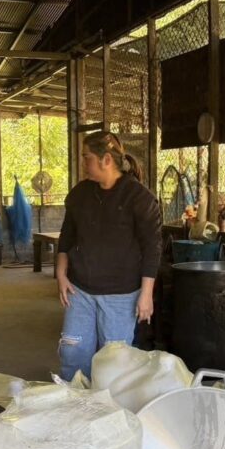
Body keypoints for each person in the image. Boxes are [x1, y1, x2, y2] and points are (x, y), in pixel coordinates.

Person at [56, 131, 162, 381]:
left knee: (113, 363)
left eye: (87, 157)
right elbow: (67, 237)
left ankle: (108, 404)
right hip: (79, 291)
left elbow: (152, 249)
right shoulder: (81, 194)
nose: (83, 163)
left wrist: (146, 294)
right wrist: (60, 274)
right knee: (73, 352)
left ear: (106, 160)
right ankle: (74, 399)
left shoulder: (139, 198)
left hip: (121, 295)